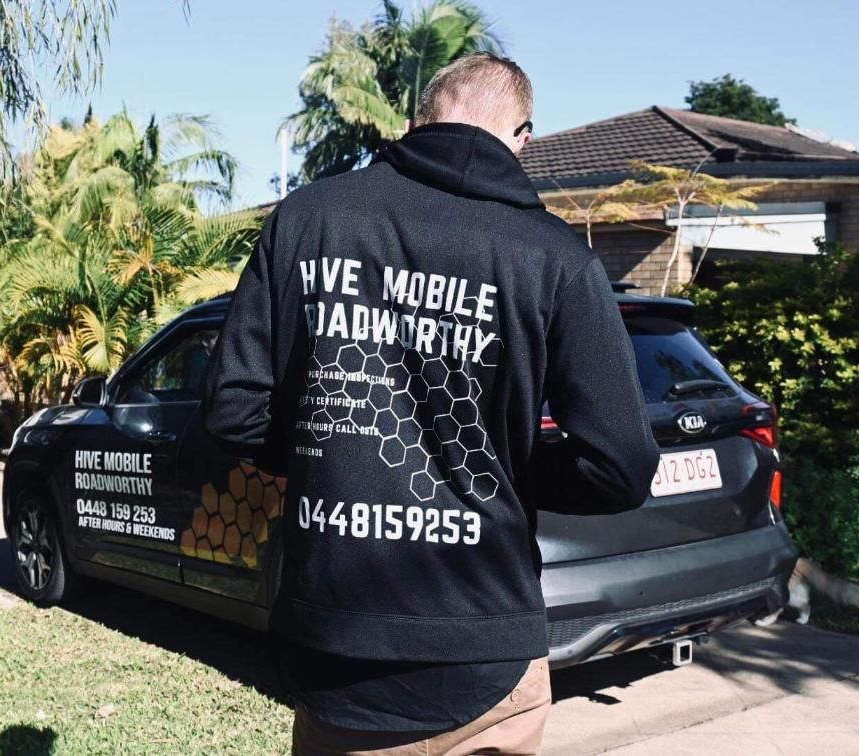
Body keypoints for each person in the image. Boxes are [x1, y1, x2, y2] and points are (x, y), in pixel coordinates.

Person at [206, 53, 660, 755]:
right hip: (490, 654)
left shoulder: (306, 220)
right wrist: (511, 471)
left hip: (340, 645)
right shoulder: (554, 258)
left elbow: (233, 410)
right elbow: (622, 466)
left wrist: (331, 459)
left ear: (417, 119)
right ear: (523, 137)